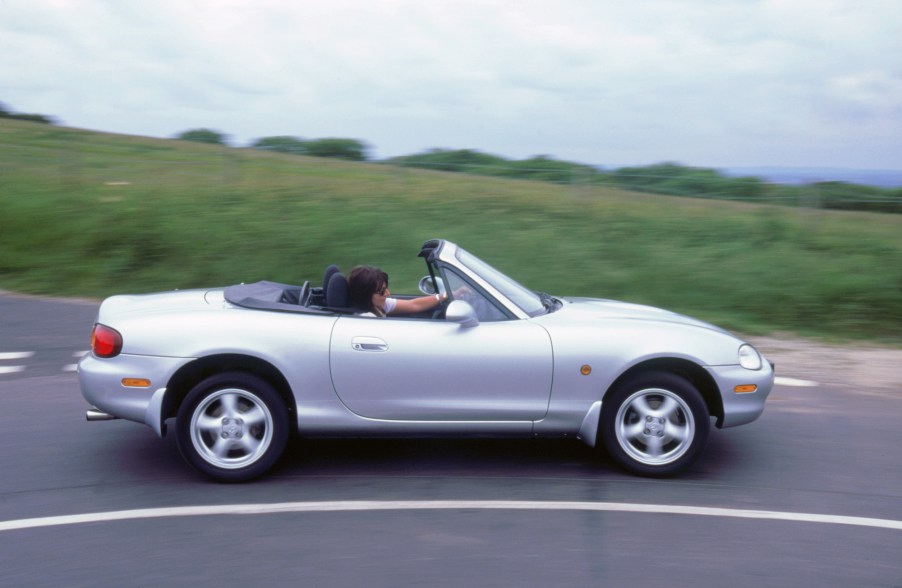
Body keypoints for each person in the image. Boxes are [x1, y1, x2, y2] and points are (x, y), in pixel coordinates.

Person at [347, 265, 447, 317]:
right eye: (381, 292)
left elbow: (414, 305)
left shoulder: (378, 305)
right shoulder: (367, 318)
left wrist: (445, 295)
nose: (388, 293)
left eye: (386, 288)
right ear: (366, 295)